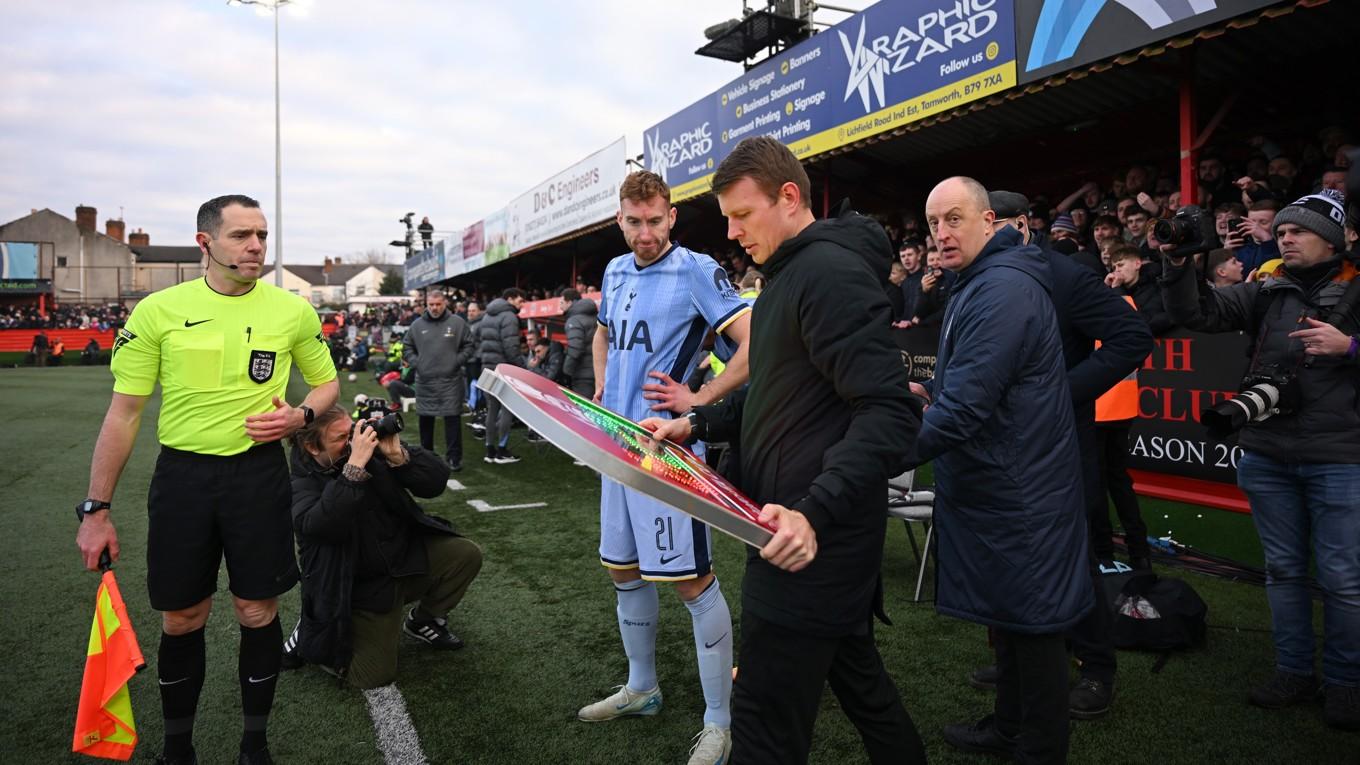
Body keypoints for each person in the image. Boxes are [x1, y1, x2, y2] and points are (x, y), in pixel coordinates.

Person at [643, 137, 925, 765]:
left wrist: (812, 511)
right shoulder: (785, 277)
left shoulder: (828, 274)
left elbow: (888, 411)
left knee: (765, 722)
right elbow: (773, 390)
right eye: (727, 220)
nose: (734, 233)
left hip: (807, 538)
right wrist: (699, 423)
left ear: (789, 197)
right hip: (799, 529)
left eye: (743, 215)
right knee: (863, 689)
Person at [74, 194, 339, 765]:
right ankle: (178, 750)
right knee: (182, 616)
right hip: (184, 480)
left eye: (262, 236)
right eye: (243, 235)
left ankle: (254, 745)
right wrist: (96, 510)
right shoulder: (158, 312)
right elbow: (123, 414)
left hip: (259, 477)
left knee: (257, 612)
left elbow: (325, 386)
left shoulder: (291, 311)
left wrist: (301, 417)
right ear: (205, 242)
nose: (256, 247)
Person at [1159, 190, 1360, 731]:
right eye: (1283, 230)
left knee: (1343, 579)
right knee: (1285, 570)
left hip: (1341, 458)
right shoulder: (1267, 291)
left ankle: (1347, 683)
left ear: (1335, 238)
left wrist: (1351, 349)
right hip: (1267, 452)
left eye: (1299, 230)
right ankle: (1293, 670)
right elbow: (1195, 312)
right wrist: (1179, 260)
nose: (1285, 237)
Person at [577, 170, 753, 765]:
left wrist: (699, 401)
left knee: (690, 580)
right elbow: (603, 336)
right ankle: (642, 688)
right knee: (623, 572)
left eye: (655, 220)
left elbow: (754, 345)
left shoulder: (698, 270)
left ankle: (719, 723)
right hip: (615, 448)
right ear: (619, 220)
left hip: (667, 453)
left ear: (671, 216)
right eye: (634, 222)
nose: (645, 233)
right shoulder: (616, 269)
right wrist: (602, 385)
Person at [913, 177, 1092, 763]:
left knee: (1035, 627)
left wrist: (876, 456)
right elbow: (969, 390)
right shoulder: (980, 282)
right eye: (934, 222)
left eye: (955, 219)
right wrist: (930, 392)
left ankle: (1037, 748)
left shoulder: (1002, 289)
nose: (941, 233)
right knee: (1015, 620)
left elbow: (966, 408)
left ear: (991, 224)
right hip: (1004, 481)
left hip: (1019, 488)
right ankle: (1009, 728)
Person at [282, 405, 483, 688]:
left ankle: (423, 621)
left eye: (351, 430)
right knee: (373, 676)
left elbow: (437, 481)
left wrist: (399, 457)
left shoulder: (368, 451)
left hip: (402, 560)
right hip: (359, 587)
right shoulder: (299, 484)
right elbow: (322, 526)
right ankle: (315, 628)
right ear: (313, 447)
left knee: (465, 555)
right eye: (341, 437)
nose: (352, 440)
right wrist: (353, 469)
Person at [403, 290, 474, 472]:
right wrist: (417, 363)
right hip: (425, 381)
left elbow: (469, 344)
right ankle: (427, 458)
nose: (434, 308)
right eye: (431, 304)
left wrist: (456, 361)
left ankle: (454, 459)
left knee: (452, 420)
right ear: (426, 304)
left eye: (438, 304)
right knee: (426, 421)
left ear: (445, 303)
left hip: (451, 380)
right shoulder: (417, 325)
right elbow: (407, 346)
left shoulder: (458, 323)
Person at [478, 287, 527, 464]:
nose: (522, 305)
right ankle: (502, 450)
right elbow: (511, 347)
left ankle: (489, 450)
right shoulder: (509, 317)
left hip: (487, 367)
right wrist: (522, 367)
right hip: (504, 370)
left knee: (492, 409)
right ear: (511, 299)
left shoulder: (487, 315)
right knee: (507, 408)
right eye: (521, 301)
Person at [560, 288, 598, 397]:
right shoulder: (596, 317)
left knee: (582, 411)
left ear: (570, 302)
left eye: (562, 302)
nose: (560, 307)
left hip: (582, 375)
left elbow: (575, 348)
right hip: (600, 373)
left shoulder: (574, 320)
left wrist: (566, 372)